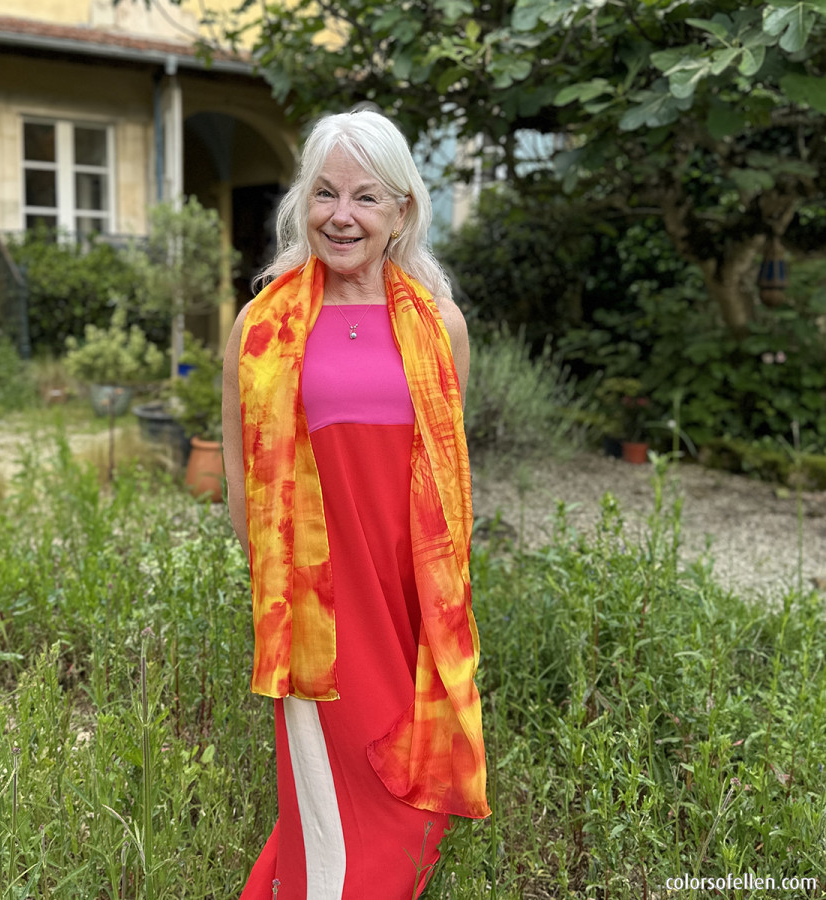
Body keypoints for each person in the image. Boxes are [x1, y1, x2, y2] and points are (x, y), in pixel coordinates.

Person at [222, 108, 490, 900]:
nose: (342, 216)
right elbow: (241, 481)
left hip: (414, 607)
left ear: (401, 212)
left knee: (416, 805)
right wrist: (280, 599)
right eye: (326, 193)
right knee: (334, 811)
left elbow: (448, 481)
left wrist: (438, 601)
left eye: (366, 197)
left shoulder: (440, 327)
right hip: (321, 617)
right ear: (303, 203)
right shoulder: (261, 329)